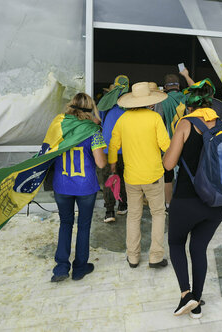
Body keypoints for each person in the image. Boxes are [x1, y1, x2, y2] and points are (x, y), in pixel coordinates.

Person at [163, 79, 222, 318]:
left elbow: (168, 164)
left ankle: (186, 295)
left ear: (188, 106)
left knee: (175, 243)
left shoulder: (185, 124)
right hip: (217, 202)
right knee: (199, 248)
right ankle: (198, 303)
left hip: (187, 201)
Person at [108, 82, 171, 269]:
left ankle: (133, 257)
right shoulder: (154, 118)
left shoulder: (122, 120)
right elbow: (166, 145)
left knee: (133, 216)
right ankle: (156, 257)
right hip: (153, 175)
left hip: (131, 177)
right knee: (158, 214)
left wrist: (113, 167)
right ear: (149, 102)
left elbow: (113, 145)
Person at [49, 93, 107, 282]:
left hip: (62, 184)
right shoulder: (93, 130)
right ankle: (80, 268)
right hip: (85, 186)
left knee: (65, 224)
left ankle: (61, 267)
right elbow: (100, 163)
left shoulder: (58, 126)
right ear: (90, 108)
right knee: (83, 225)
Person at [97, 75, 130, 222]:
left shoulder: (106, 104)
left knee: (110, 178)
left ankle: (109, 212)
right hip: (127, 148)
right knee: (124, 177)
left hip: (109, 149)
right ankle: (122, 206)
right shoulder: (131, 103)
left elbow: (100, 121)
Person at [154, 74, 187, 208]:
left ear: (166, 87)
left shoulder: (162, 101)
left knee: (168, 172)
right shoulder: (186, 98)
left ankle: (168, 203)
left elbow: (158, 121)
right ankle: (183, 200)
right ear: (178, 86)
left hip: (169, 143)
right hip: (186, 140)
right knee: (185, 173)